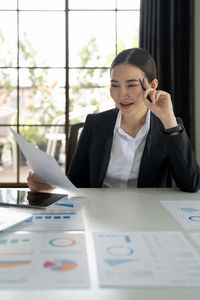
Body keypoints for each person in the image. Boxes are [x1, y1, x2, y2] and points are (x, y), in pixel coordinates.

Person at [27, 48, 200, 192]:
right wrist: (47, 183)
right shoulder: (95, 124)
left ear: (152, 86)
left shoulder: (167, 126)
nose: (121, 94)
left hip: (148, 215)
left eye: (131, 85)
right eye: (114, 85)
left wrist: (168, 119)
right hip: (99, 215)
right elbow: (76, 181)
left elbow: (191, 184)